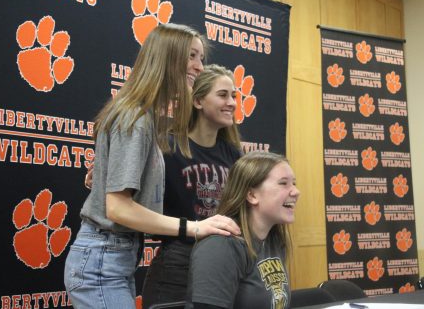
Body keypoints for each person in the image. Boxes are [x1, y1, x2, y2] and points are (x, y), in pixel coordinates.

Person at [63, 24, 240, 309]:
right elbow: (118, 208)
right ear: (168, 57)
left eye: (201, 58)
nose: (199, 66)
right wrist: (195, 227)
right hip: (101, 260)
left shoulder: (145, 117)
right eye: (192, 56)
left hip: (115, 259)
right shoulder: (135, 116)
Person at [141, 64, 242, 308]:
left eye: (234, 96)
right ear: (198, 101)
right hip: (177, 265)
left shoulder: (233, 154)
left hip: (222, 261)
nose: (232, 102)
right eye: (222, 95)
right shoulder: (167, 148)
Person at [186, 151, 300, 309]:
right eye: (283, 183)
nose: (296, 191)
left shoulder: (275, 240)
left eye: (294, 183)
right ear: (252, 195)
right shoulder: (220, 246)